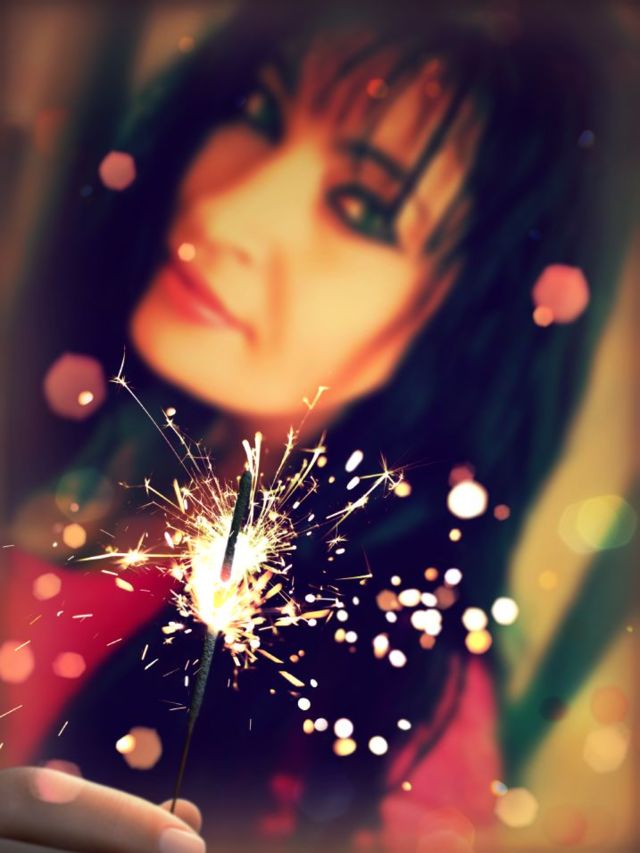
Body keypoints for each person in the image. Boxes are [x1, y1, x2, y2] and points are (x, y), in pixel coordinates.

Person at [0, 1, 634, 850]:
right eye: (259, 113)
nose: (223, 211)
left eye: (362, 206)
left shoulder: (394, 744)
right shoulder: (85, 438)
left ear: (468, 321)